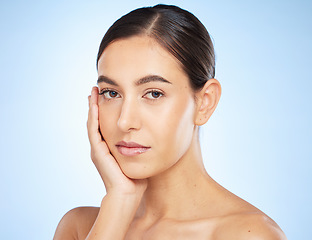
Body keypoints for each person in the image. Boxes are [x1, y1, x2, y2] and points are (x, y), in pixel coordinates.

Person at [53, 4, 287, 240]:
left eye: (154, 93)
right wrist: (119, 201)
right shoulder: (80, 228)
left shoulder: (247, 234)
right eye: (111, 93)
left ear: (205, 102)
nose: (125, 121)